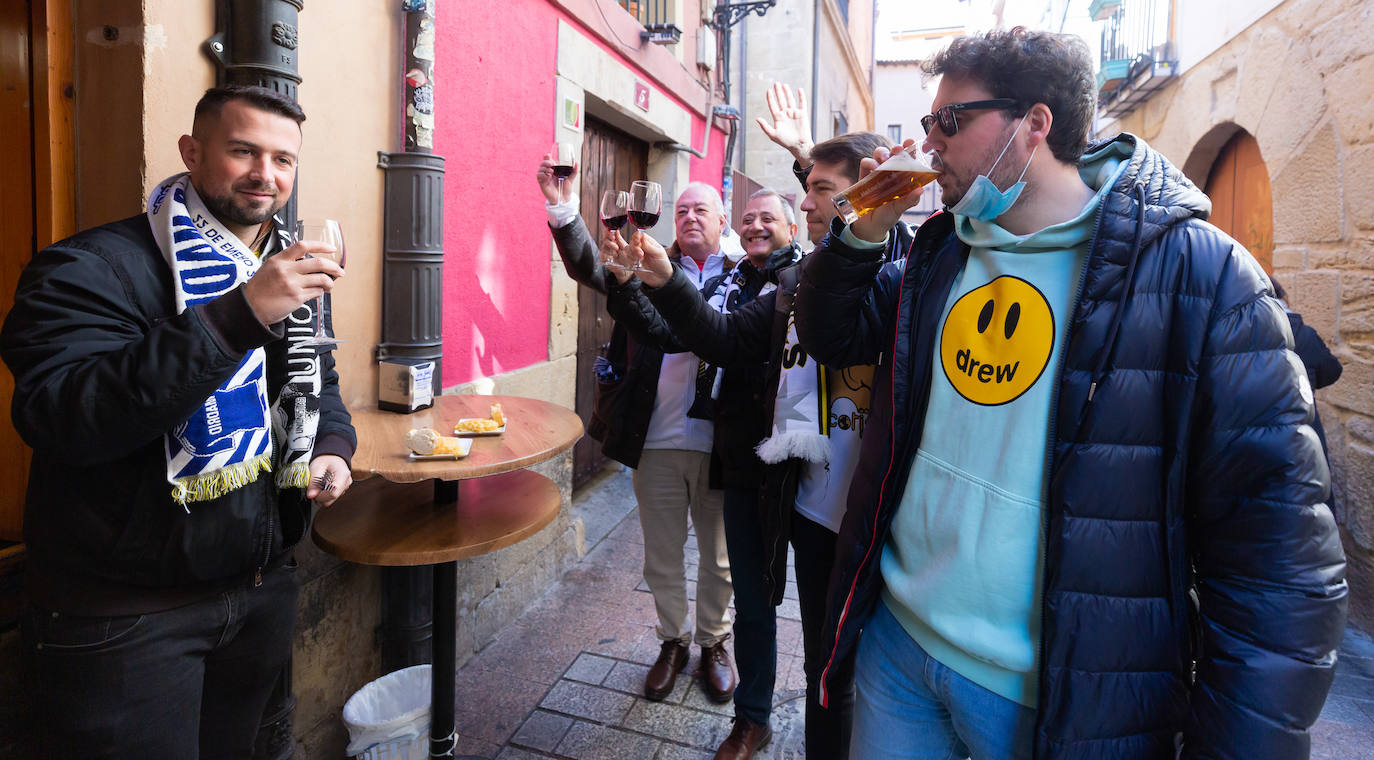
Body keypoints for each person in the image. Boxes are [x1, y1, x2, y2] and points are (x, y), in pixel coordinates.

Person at [793, 28, 1348, 759]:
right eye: (928, 123)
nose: (928, 143)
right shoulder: (941, 250)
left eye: (948, 121)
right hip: (899, 647)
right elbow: (832, 333)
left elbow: (1279, 560)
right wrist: (862, 235)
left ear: (1036, 122)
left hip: (1059, 696)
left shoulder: (1200, 274)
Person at [0, 84, 356, 759]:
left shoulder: (283, 267)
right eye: (243, 150)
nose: (265, 174)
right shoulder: (87, 269)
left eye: (283, 158)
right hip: (125, 619)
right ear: (192, 152)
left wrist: (333, 445)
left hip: (257, 591)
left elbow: (316, 384)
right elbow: (66, 418)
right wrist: (237, 314)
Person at [607, 129, 911, 759]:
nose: (800, 208)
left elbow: (884, 244)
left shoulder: (905, 270)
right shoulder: (787, 281)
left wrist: (823, 168)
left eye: (814, 193)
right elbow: (716, 335)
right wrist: (661, 278)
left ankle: (827, 744)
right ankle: (752, 718)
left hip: (853, 490)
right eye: (748, 219)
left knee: (833, 642)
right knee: (754, 600)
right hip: (764, 468)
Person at [535, 163, 738, 704]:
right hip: (659, 438)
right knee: (662, 556)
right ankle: (673, 642)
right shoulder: (647, 262)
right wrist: (563, 210)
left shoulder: (747, 273)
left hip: (722, 445)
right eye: (682, 210)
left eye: (702, 209)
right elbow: (592, 268)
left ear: (724, 218)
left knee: (719, 558)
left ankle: (715, 643)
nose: (691, 217)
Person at [1271, 280, 1343, 457]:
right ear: (1281, 296)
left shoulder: (1239, 336)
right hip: (1304, 436)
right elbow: (1331, 370)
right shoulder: (1305, 334)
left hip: (1257, 442)